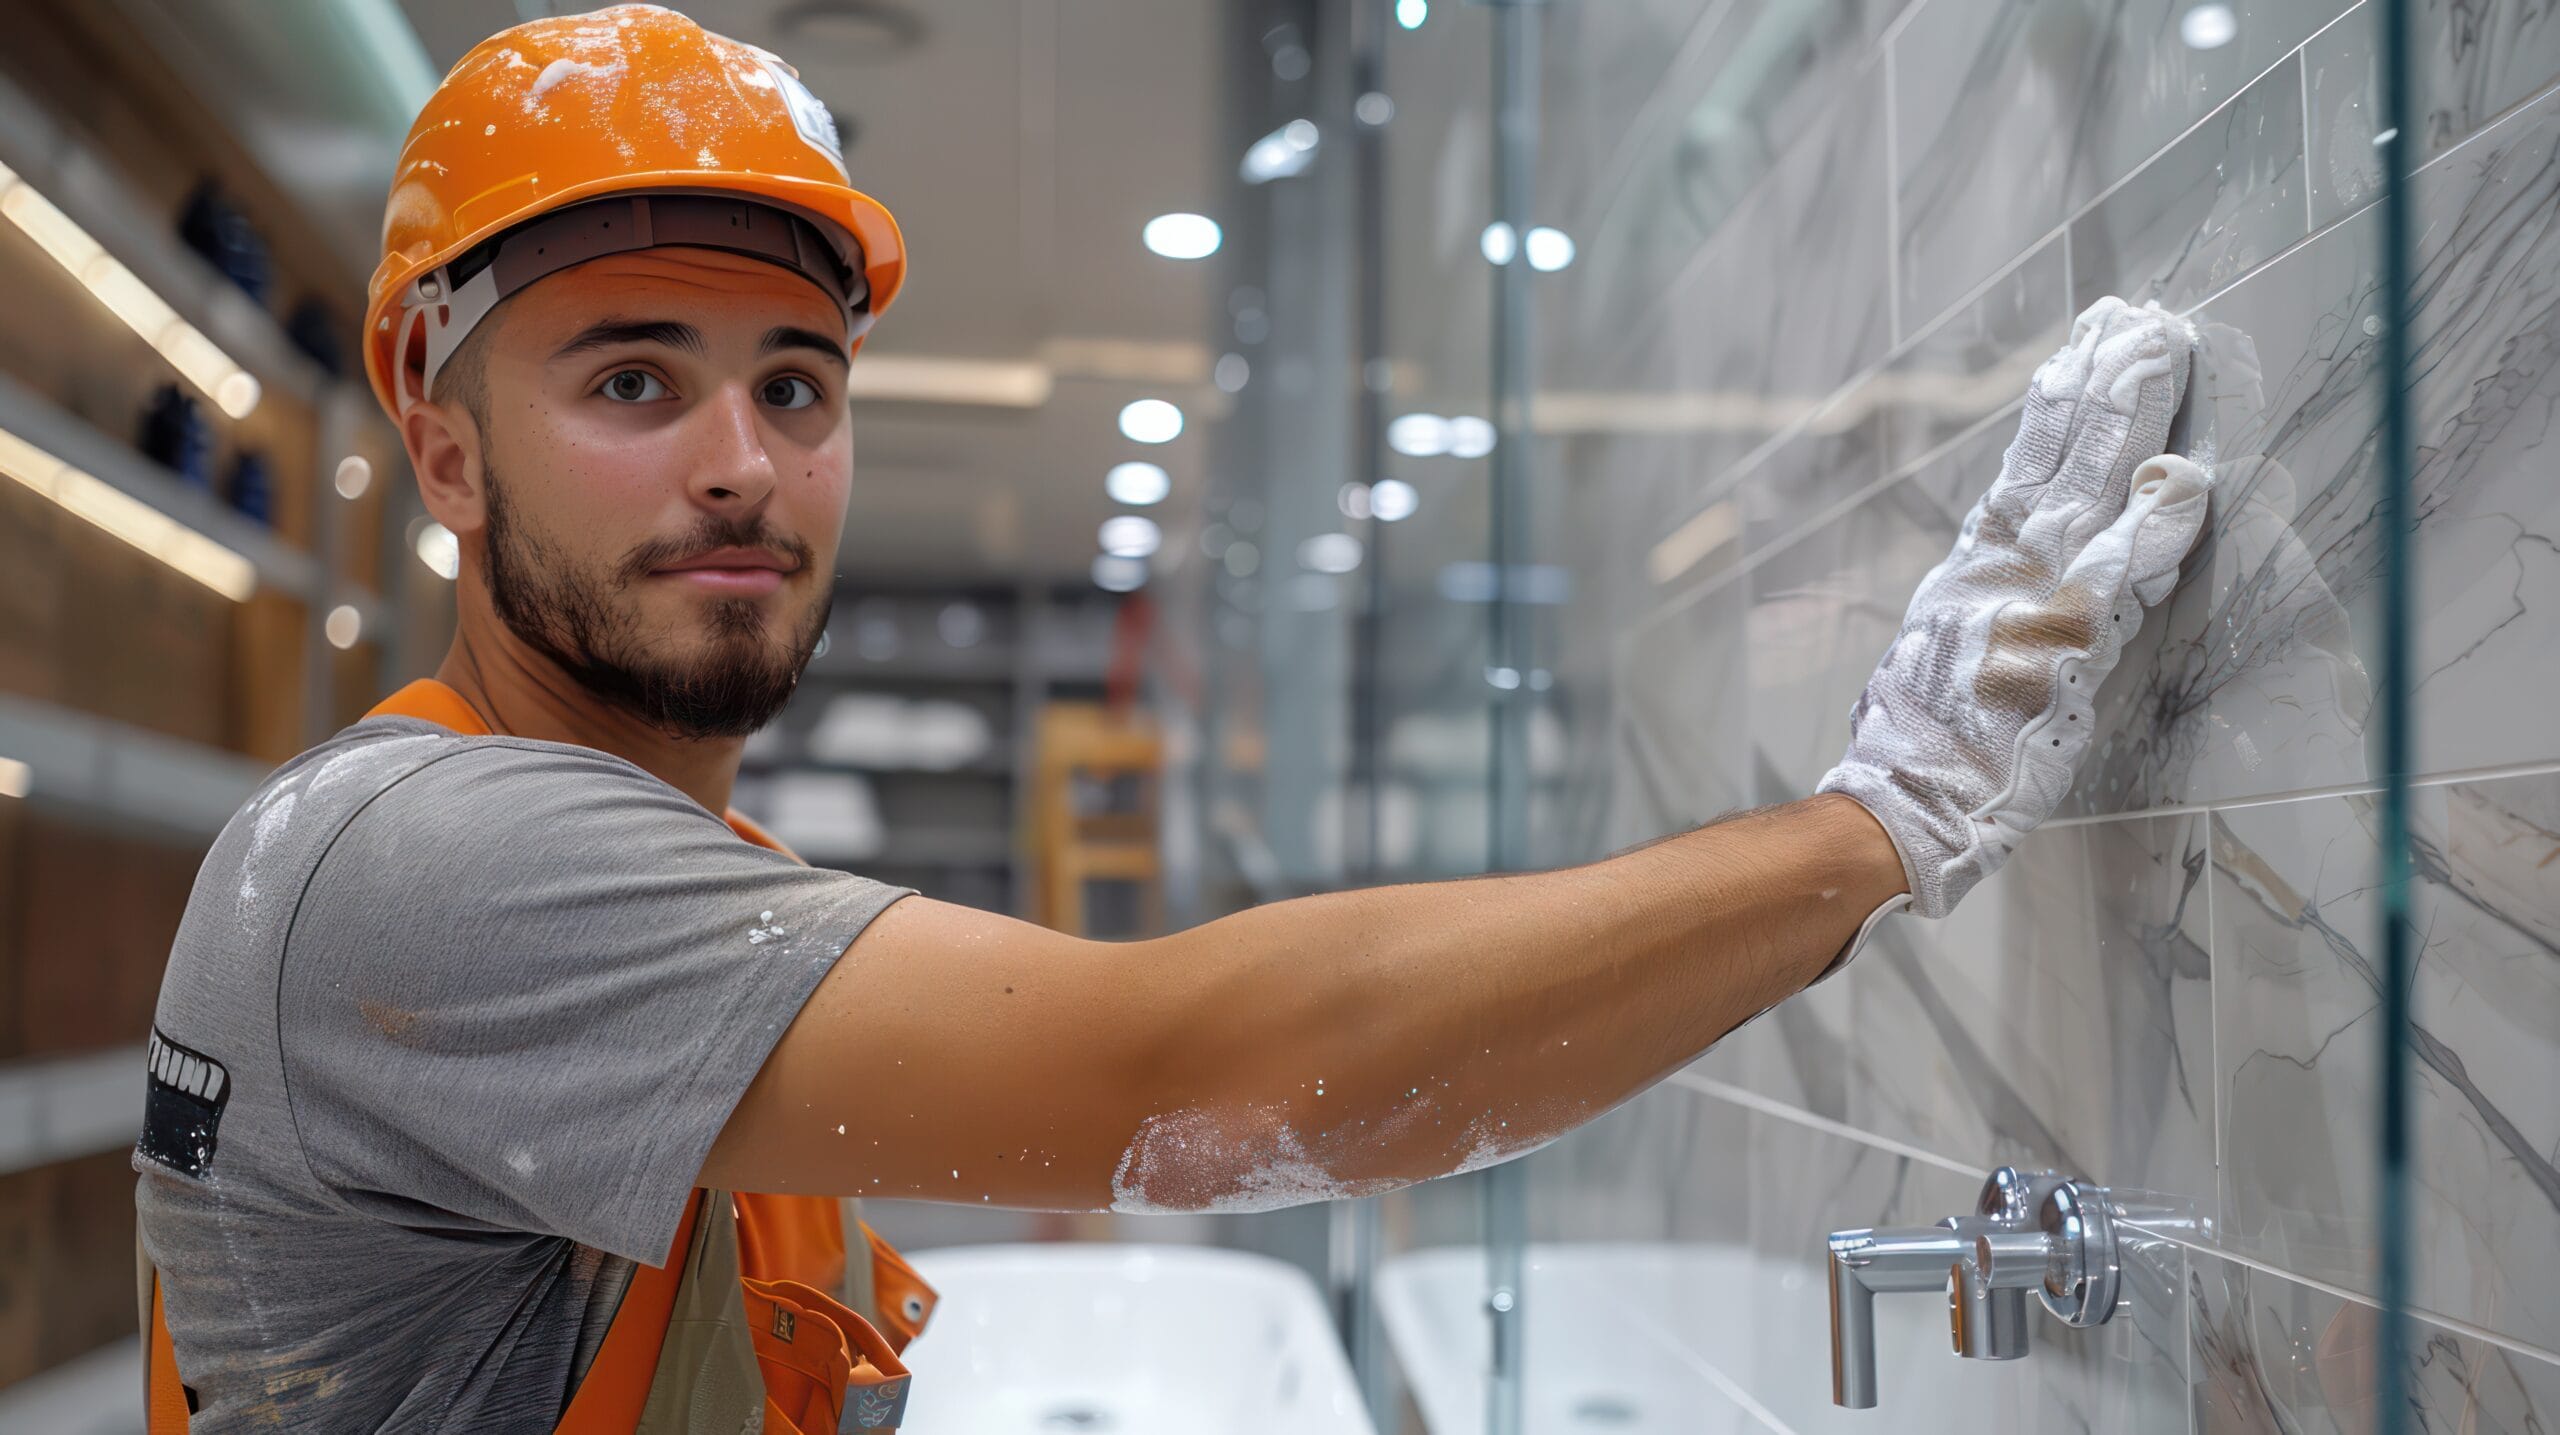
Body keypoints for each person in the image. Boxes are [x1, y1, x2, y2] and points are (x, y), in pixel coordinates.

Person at [131, 5, 2213, 1431]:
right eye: (631, 381)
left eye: (794, 384)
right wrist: (1880, 813)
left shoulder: (627, 871)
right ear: (441, 435)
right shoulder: (419, 868)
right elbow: (1194, 1071)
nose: (741, 463)